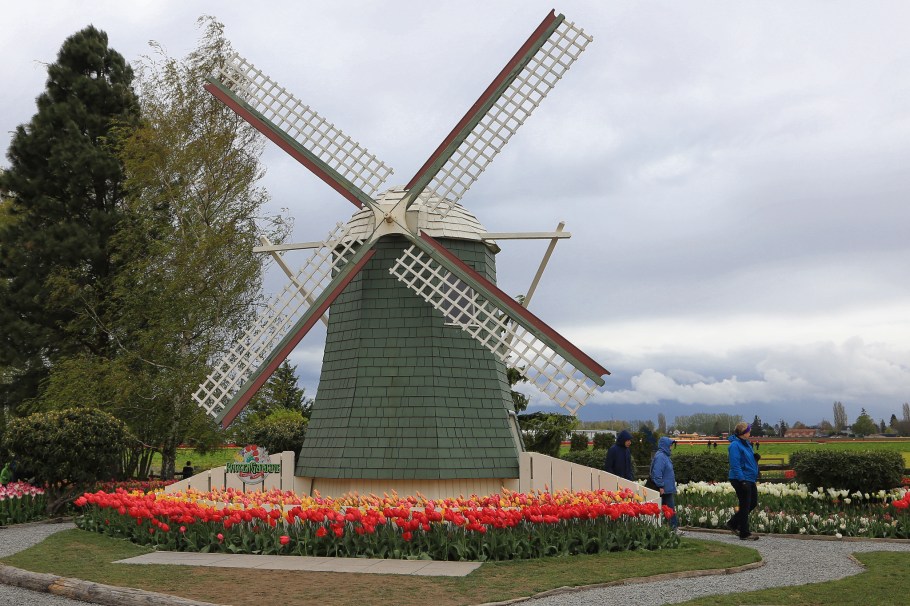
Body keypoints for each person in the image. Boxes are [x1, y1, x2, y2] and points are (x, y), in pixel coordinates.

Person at [726, 422, 760, 540]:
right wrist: (742, 480)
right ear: (743, 433)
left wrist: (754, 459)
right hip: (741, 478)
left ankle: (733, 523)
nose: (750, 433)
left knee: (753, 503)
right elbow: (735, 464)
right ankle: (744, 533)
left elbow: (746, 460)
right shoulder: (735, 445)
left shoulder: (746, 444)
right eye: (748, 431)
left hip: (749, 478)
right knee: (745, 505)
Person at [650, 436, 678, 529]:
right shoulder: (661, 457)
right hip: (664, 489)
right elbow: (657, 473)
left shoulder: (664, 456)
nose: (671, 447)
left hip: (667, 488)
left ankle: (669, 528)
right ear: (665, 445)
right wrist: (660, 486)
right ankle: (673, 528)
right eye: (670, 445)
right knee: (670, 510)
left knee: (668, 510)